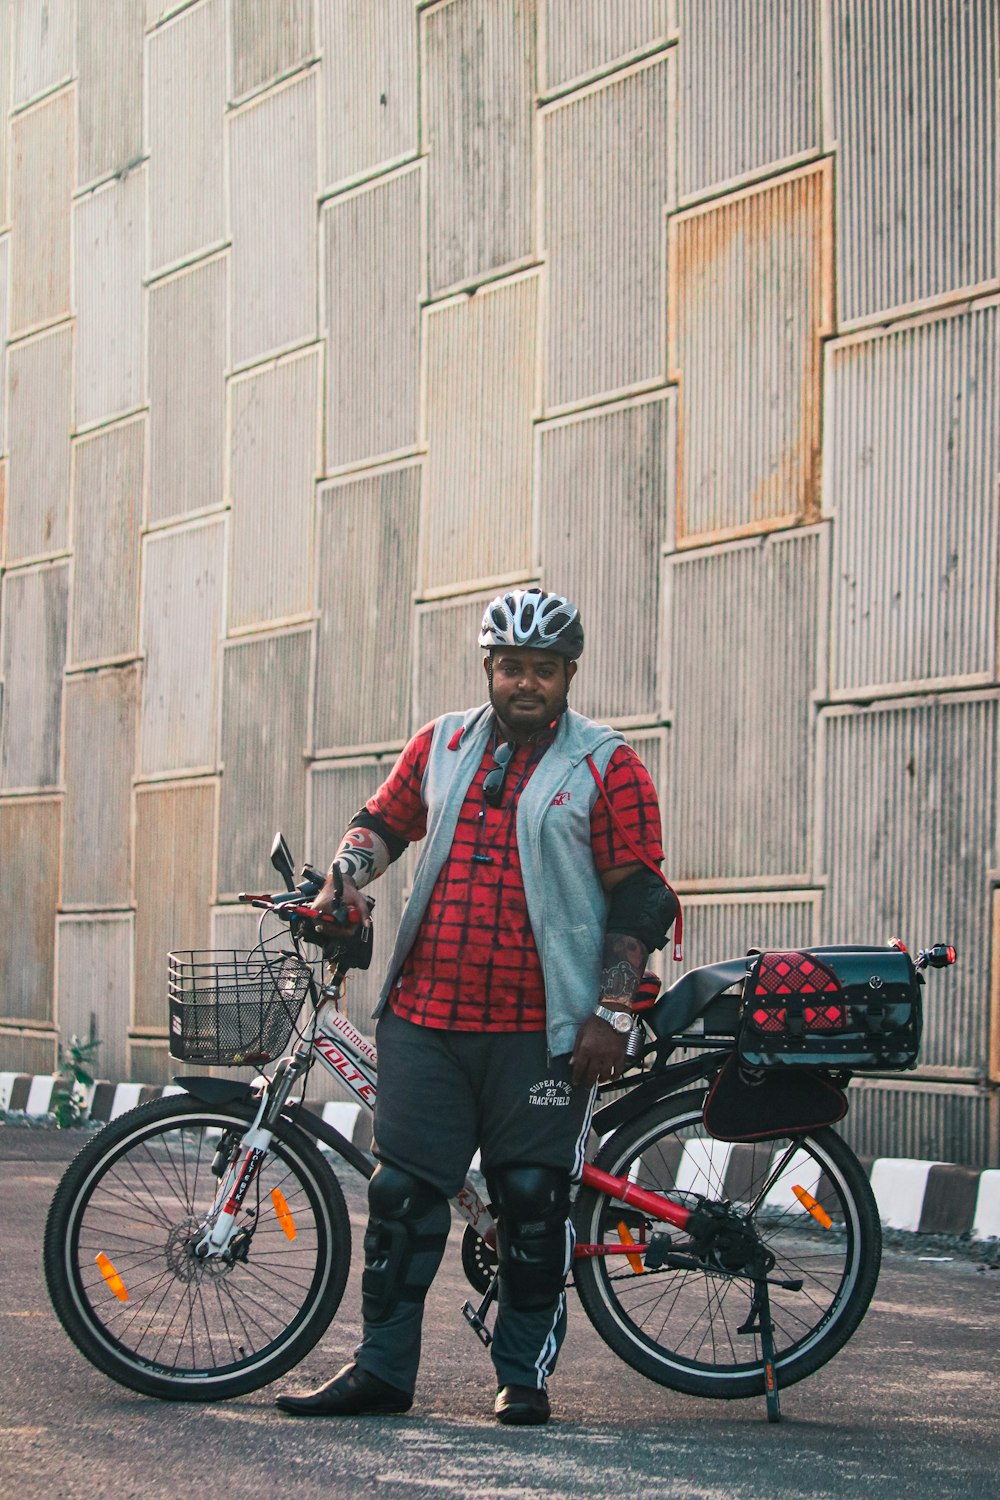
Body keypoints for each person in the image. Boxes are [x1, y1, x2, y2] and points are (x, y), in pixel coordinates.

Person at [276, 588, 677, 1425]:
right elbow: (381, 825)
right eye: (510, 667)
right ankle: (382, 1372)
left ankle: (522, 1377)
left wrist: (612, 1010)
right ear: (488, 668)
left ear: (568, 674)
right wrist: (343, 880)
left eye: (543, 669)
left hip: (545, 1029)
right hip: (426, 1014)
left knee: (530, 1199)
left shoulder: (608, 763)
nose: (525, 682)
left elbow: (642, 897)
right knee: (401, 1198)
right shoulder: (444, 742)